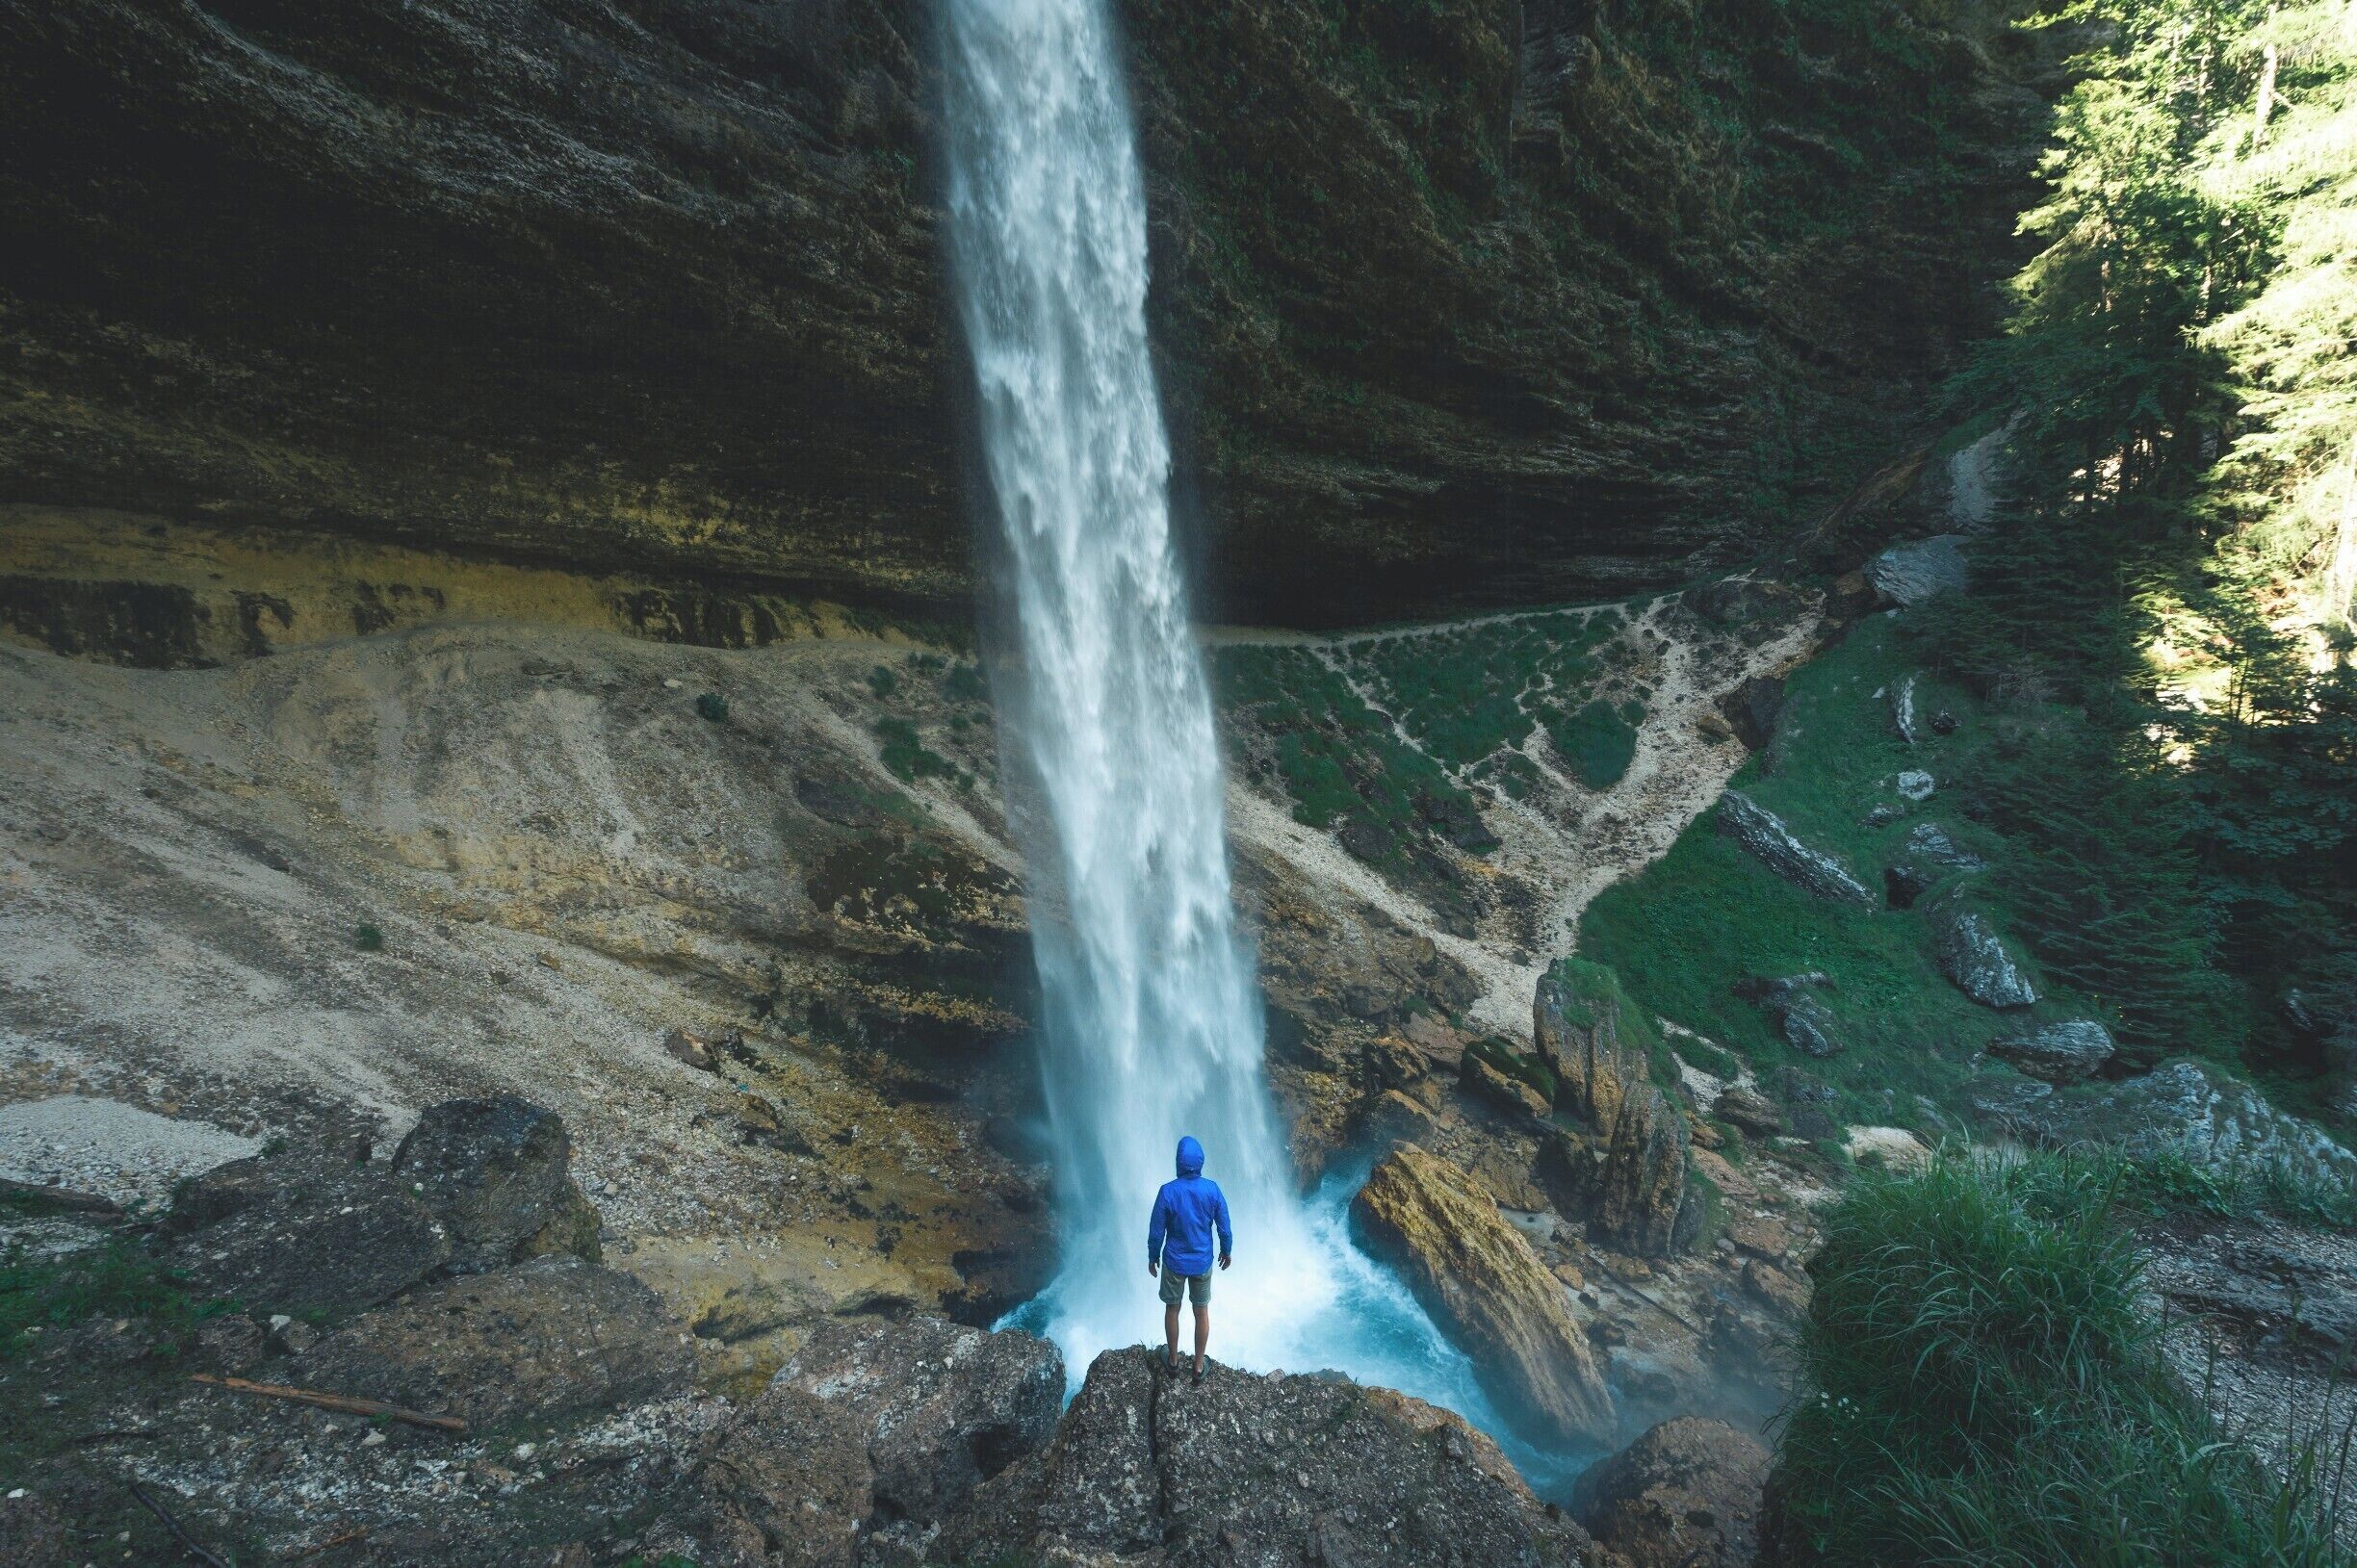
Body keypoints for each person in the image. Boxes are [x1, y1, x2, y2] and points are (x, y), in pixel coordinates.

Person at [1147, 1134, 1232, 1383]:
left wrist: (1153, 1257)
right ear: (1201, 1161)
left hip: (1174, 1262)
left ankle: (1173, 1362)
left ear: (1178, 1162)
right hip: (1202, 1261)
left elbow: (1156, 1231)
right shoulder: (1212, 1190)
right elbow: (1224, 1227)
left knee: (1172, 1309)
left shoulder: (1167, 1192)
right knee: (1201, 1311)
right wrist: (1226, 1251)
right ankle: (1197, 1366)